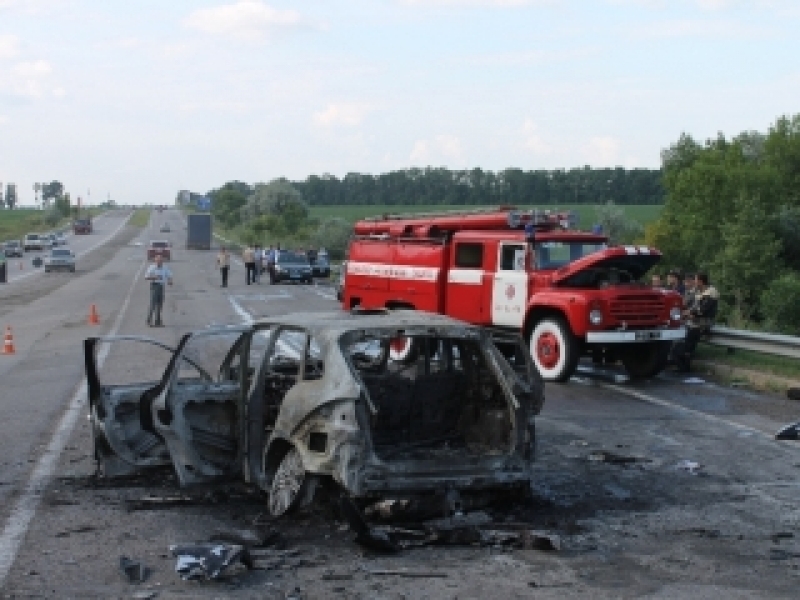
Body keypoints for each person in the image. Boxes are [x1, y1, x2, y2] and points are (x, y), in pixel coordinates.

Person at [676, 272, 719, 371]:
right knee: (682, 342)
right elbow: (695, 307)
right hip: (695, 321)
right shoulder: (699, 292)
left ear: (700, 281)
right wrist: (688, 313)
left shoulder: (711, 293)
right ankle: (683, 363)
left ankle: (685, 365)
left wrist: (690, 314)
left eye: (695, 280)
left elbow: (703, 310)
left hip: (704, 322)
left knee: (688, 342)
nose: (694, 282)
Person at [145, 253, 173, 327]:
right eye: (158, 260)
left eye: (161, 260)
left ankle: (158, 321)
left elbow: (169, 275)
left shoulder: (165, 267)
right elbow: (146, 277)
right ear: (155, 260)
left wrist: (170, 281)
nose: (159, 262)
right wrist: (155, 277)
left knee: (160, 305)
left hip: (161, 286)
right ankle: (149, 321)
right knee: (153, 304)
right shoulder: (152, 267)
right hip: (154, 286)